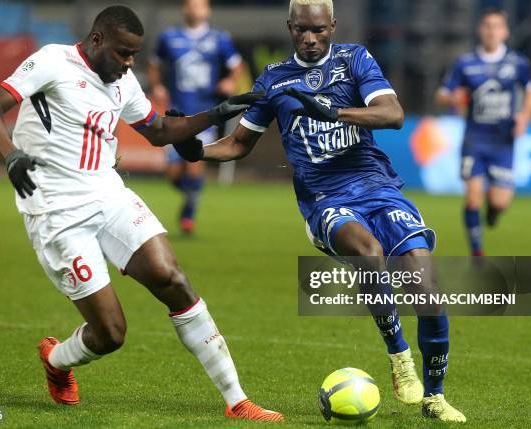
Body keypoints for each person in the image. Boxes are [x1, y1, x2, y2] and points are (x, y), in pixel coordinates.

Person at [0, 5, 282, 422]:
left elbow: (157, 132)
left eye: (134, 54)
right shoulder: (52, 61)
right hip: (57, 213)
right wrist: (11, 156)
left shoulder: (123, 81)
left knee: (172, 278)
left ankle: (237, 400)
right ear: (97, 40)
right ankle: (58, 359)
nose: (129, 62)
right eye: (123, 53)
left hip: (109, 195)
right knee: (111, 334)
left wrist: (216, 114)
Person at [174, 0, 466, 422]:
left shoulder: (355, 60)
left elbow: (393, 114)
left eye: (319, 31)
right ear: (289, 27)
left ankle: (435, 397)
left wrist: (333, 110)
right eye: (301, 31)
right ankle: (399, 356)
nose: (310, 40)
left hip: (377, 185)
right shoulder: (275, 80)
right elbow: (239, 144)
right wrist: (196, 150)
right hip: (325, 197)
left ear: (332, 25)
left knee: (425, 283)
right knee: (367, 255)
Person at [436, 8, 531, 256]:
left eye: (497, 26)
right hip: (475, 140)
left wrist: (524, 116)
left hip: (503, 142)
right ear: (480, 30)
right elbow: (442, 94)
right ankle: (476, 252)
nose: (492, 31)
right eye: (487, 26)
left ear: (505, 31)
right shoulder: (465, 63)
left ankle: (493, 212)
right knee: (472, 198)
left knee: (499, 201)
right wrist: (452, 99)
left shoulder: (517, 63)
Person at [147, 0, 243, 234]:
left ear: (207, 10)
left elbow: (237, 65)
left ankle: (188, 213)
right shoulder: (169, 37)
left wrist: (230, 81)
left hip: (205, 114)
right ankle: (192, 194)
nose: (195, 9)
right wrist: (157, 85)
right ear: (184, 9)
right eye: (191, 5)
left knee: (194, 163)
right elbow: (154, 63)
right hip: (176, 112)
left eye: (200, 5)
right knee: (173, 174)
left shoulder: (219, 38)